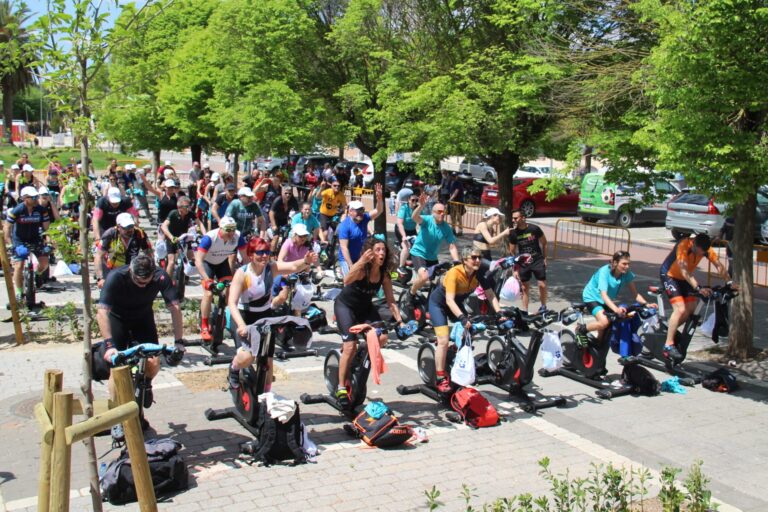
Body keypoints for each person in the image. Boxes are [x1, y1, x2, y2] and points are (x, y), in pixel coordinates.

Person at [96, 253, 185, 429]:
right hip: (118, 319)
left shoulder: (160, 276)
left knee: (153, 361)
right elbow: (101, 312)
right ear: (130, 271)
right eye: (139, 282)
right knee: (117, 370)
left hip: (142, 318)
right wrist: (109, 345)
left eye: (147, 282)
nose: (143, 286)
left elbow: (175, 309)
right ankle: (116, 415)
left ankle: (147, 383)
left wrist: (179, 341)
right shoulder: (116, 277)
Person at [227, 237, 318, 390]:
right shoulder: (242, 273)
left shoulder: (271, 267)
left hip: (264, 315)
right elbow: (232, 303)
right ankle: (234, 368)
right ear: (250, 255)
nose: (264, 256)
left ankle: (267, 395)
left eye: (267, 252)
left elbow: (294, 266)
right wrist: (241, 325)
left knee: (267, 360)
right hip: (244, 316)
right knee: (248, 357)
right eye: (260, 252)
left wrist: (306, 261)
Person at [333, 237, 406, 408]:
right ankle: (341, 388)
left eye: (383, 250)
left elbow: (391, 302)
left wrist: (401, 322)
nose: (381, 253)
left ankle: (358, 357)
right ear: (371, 253)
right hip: (346, 307)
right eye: (378, 249)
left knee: (382, 337)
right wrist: (360, 261)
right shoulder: (362, 270)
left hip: (365, 308)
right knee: (350, 346)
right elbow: (346, 281)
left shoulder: (384, 275)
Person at [428, 247, 506, 393]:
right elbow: (449, 301)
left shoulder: (479, 274)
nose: (478, 260)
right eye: (474, 258)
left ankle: (453, 351)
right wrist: (462, 318)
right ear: (465, 260)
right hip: (439, 304)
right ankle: (440, 377)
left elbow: (490, 295)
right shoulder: (454, 273)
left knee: (470, 330)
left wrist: (499, 313)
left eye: (479, 257)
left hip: (455, 306)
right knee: (443, 340)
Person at [659, 233, 730, 362]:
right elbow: (684, 271)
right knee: (680, 309)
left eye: (702, 254)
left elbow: (719, 266)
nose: (699, 255)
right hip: (670, 275)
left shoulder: (706, 249)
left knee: (691, 310)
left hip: (685, 278)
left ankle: (667, 330)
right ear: (694, 244)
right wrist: (698, 288)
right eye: (698, 252)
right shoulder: (683, 245)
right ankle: (668, 345)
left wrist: (730, 282)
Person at [579, 251, 655, 343]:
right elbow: (604, 295)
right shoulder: (604, 271)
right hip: (592, 297)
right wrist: (616, 309)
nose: (627, 267)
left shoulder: (626, 274)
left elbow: (635, 295)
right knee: (604, 322)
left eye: (628, 264)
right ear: (615, 263)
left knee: (608, 329)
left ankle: (598, 344)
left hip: (606, 300)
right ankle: (581, 329)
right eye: (624, 264)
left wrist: (646, 304)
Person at [195, 216, 248, 341]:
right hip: (207, 264)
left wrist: (247, 275)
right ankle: (204, 325)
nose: (231, 233)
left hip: (221, 264)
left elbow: (245, 258)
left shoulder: (237, 237)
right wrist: (207, 279)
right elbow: (198, 261)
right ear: (220, 229)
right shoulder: (209, 238)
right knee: (208, 294)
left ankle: (222, 317)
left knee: (230, 292)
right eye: (228, 230)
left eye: (233, 229)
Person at [406, 192, 460, 299]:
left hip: (433, 257)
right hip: (419, 253)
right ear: (433, 212)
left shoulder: (446, 227)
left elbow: (452, 246)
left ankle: (430, 303)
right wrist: (421, 206)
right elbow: (414, 217)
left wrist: (456, 262)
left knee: (439, 281)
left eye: (444, 212)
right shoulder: (427, 220)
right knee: (424, 276)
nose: (442, 214)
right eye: (439, 212)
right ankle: (411, 293)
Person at [4, 186, 51, 299]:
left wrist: (49, 242)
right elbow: (7, 227)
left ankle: (37, 275)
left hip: (35, 238)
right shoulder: (17, 210)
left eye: (37, 196)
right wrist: (10, 244)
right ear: (25, 198)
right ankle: (19, 292)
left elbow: (47, 228)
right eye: (33, 197)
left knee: (44, 262)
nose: (36, 199)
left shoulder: (41, 210)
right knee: (19, 265)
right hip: (19, 239)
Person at [337, 184, 384, 276]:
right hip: (347, 259)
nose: (360, 213)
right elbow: (344, 248)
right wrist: (351, 265)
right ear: (350, 212)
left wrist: (379, 199)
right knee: (349, 281)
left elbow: (379, 210)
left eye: (362, 210)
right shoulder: (344, 226)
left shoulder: (364, 218)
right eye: (357, 211)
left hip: (360, 257)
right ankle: (343, 272)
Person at [507, 209, 548, 313]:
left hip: (537, 259)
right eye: (512, 218)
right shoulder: (513, 233)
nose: (513, 220)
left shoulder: (534, 229)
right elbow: (512, 251)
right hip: (523, 262)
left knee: (542, 285)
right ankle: (525, 310)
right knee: (524, 288)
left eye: (515, 218)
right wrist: (515, 268)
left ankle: (543, 306)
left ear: (523, 218)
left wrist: (545, 258)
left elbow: (544, 242)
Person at [95, 212, 153, 287]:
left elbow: (149, 253)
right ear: (118, 227)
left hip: (131, 269)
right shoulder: (109, 234)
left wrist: (151, 272)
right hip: (112, 269)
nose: (130, 230)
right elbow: (98, 256)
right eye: (126, 228)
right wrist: (100, 278)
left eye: (131, 226)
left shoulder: (139, 234)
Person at [160, 196, 200, 281]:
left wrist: (205, 235)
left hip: (184, 237)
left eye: (190, 206)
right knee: (171, 261)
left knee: (191, 256)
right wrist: (171, 237)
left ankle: (188, 273)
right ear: (180, 207)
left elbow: (200, 223)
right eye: (186, 206)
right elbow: (164, 226)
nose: (189, 208)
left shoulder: (190, 213)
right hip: (172, 238)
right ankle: (167, 282)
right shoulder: (173, 213)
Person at [268, 185, 299, 251]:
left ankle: (281, 252)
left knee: (286, 237)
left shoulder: (293, 200)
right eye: (286, 193)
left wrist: (296, 224)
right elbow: (271, 213)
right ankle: (271, 255)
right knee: (276, 236)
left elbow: (297, 213)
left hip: (284, 219)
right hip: (275, 219)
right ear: (282, 193)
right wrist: (273, 225)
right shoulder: (278, 200)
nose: (288, 195)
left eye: (290, 193)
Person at [395, 192, 419, 269]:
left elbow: (423, 221)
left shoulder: (418, 208)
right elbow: (399, 223)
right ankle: (401, 267)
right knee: (406, 247)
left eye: (416, 200)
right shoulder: (404, 208)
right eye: (413, 200)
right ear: (408, 200)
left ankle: (414, 262)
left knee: (419, 245)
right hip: (401, 230)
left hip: (412, 230)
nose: (415, 202)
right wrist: (404, 236)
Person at [318, 178, 346, 243]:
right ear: (331, 186)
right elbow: (318, 197)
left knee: (337, 232)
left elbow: (344, 206)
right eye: (335, 185)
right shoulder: (327, 191)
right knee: (325, 232)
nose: (337, 187)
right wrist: (321, 188)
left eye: (339, 186)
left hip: (333, 215)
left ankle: (330, 246)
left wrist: (344, 214)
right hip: (324, 214)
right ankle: (323, 247)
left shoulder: (341, 195)